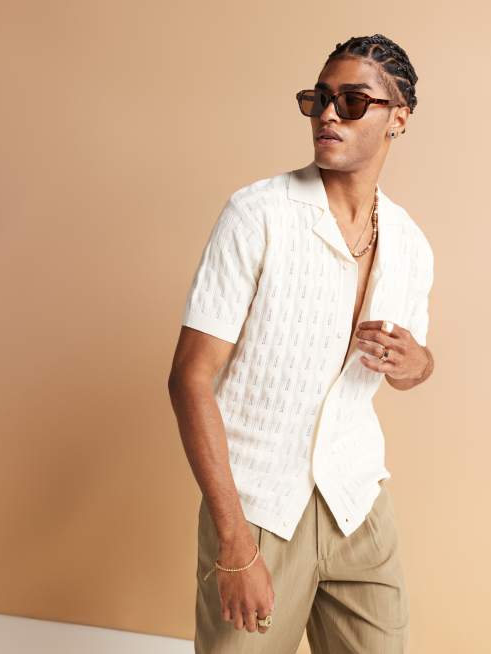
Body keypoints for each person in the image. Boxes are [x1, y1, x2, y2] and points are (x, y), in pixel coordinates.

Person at [168, 33, 435, 653]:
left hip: (357, 503)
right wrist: (235, 543)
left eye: (352, 101)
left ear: (398, 118)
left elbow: (412, 368)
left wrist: (417, 362)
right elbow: (190, 379)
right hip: (259, 507)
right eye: (319, 99)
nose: (328, 115)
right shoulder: (258, 215)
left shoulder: (410, 243)